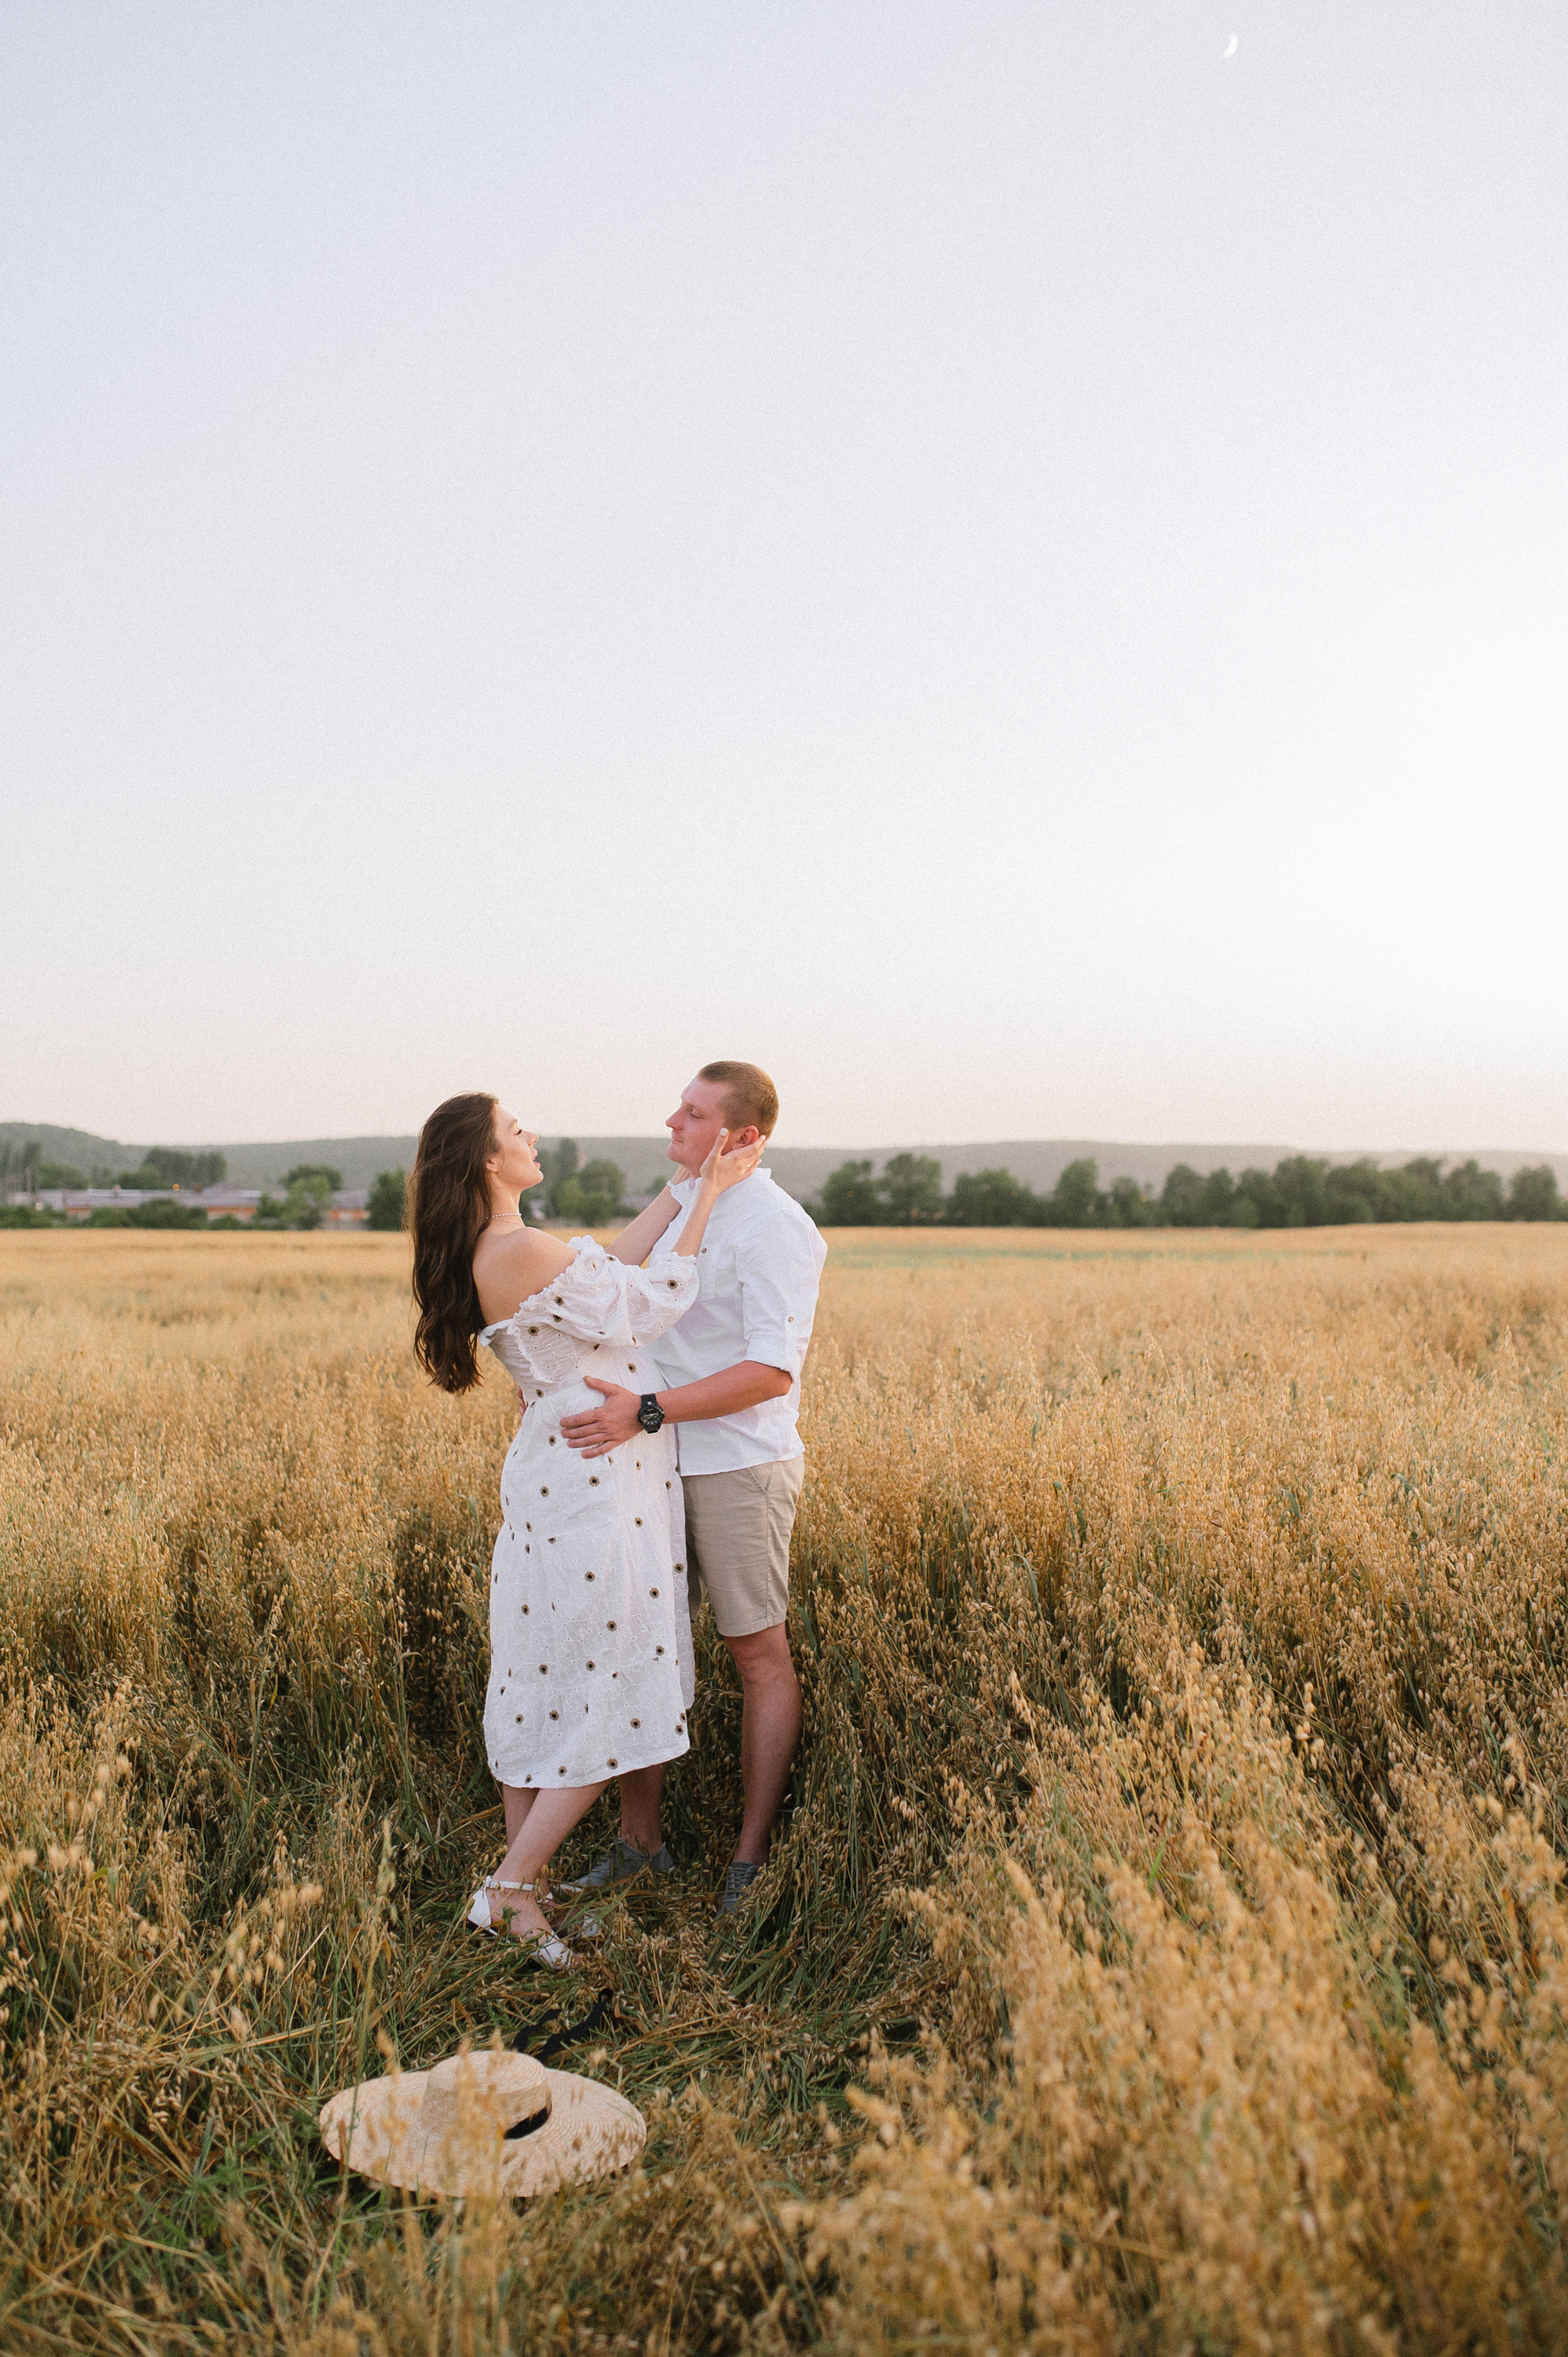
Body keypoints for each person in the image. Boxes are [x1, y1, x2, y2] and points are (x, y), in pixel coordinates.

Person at [408, 1091, 763, 1967]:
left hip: (561, 1473)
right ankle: (508, 1888)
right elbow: (650, 1302)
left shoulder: (504, 1247)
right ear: (489, 1160)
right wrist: (710, 1199)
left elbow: (605, 1265)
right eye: (515, 1130)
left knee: (542, 1672)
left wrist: (684, 1187)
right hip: (592, 1481)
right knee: (610, 1682)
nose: (531, 1136)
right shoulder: (520, 1249)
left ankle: (522, 1895)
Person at [559, 1061, 826, 1915]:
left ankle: (748, 1860)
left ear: (743, 1137)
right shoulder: (682, 1203)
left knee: (755, 1652)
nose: (671, 1122)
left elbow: (771, 1371)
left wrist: (646, 1410)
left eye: (694, 1114)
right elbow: (604, 1291)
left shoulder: (777, 1226)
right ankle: (641, 1846)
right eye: (678, 1108)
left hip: (737, 1464)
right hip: (650, 1460)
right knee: (640, 1645)